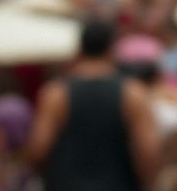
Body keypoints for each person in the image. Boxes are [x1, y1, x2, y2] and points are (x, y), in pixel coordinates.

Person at [26, 18, 159, 190]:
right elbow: (147, 155)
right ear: (111, 50)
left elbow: (38, 150)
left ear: (79, 50)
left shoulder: (56, 94)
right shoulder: (133, 94)